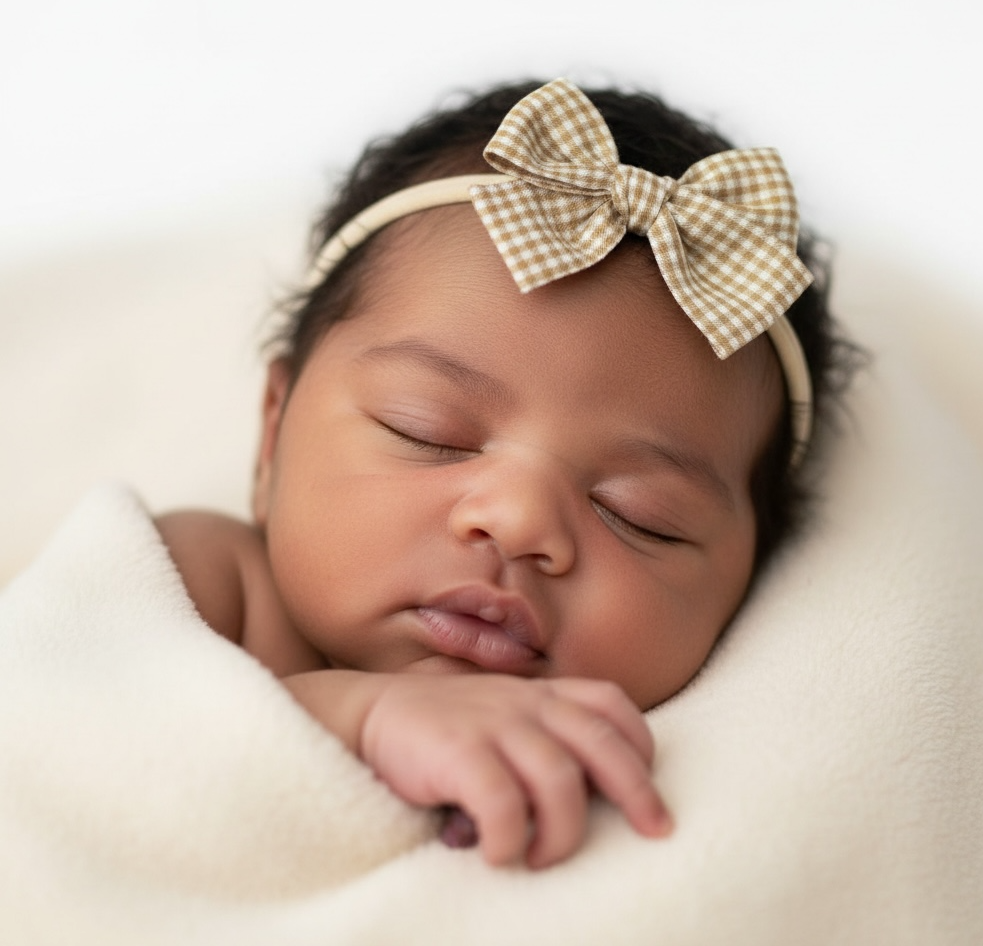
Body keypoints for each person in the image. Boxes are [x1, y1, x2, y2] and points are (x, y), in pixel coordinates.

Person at [156, 78, 855, 871]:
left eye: (640, 514)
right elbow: (63, 723)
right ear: (272, 434)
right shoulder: (201, 585)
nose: (520, 521)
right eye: (429, 431)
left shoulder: (695, 765)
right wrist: (362, 717)